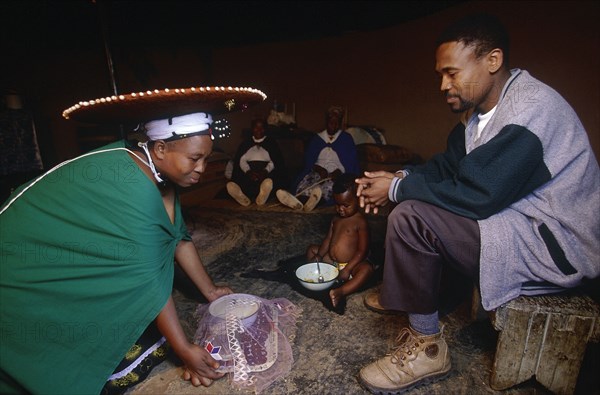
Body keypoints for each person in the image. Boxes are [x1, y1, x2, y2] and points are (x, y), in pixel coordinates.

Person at [355, 13, 600, 394]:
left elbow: (477, 195)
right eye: (441, 74)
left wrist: (397, 192)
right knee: (416, 199)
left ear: (493, 60)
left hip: (555, 245)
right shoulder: (479, 117)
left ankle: (428, 348)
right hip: (517, 223)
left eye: (452, 73)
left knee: (411, 216)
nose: (443, 84)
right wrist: (399, 178)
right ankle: (419, 295)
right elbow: (445, 167)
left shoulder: (532, 108)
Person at [0, 87, 266, 394]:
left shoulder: (157, 171)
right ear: (161, 149)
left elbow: (177, 236)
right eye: (195, 158)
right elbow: (147, 279)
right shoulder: (133, 187)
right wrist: (185, 350)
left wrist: (210, 290)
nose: (202, 169)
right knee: (89, 350)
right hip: (22, 266)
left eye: (206, 158)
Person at [305, 173, 375, 308]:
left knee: (366, 270)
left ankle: (341, 291)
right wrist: (319, 255)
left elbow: (362, 250)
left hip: (350, 265)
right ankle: (318, 277)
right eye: (337, 205)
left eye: (346, 205)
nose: (340, 209)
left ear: (359, 200)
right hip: (331, 262)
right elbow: (328, 239)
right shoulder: (336, 218)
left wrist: (348, 269)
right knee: (311, 250)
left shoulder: (360, 222)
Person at [276, 105, 360, 212]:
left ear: (340, 123)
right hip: (318, 171)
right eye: (331, 122)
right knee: (306, 183)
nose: (333, 125)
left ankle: (312, 201)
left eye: (336, 122)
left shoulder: (346, 139)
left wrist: (339, 172)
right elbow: (309, 161)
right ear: (326, 122)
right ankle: (297, 201)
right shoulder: (317, 139)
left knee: (328, 188)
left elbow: (351, 162)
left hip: (336, 175)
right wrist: (318, 169)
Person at [226, 117, 287, 206]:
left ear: (265, 129)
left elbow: (275, 160)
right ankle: (243, 197)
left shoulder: (271, 143)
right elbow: (241, 160)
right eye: (256, 127)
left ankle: (262, 196)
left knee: (270, 181)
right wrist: (248, 171)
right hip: (249, 172)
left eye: (262, 128)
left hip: (265, 172)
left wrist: (265, 171)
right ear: (252, 129)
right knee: (242, 181)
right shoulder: (246, 143)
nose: (259, 130)